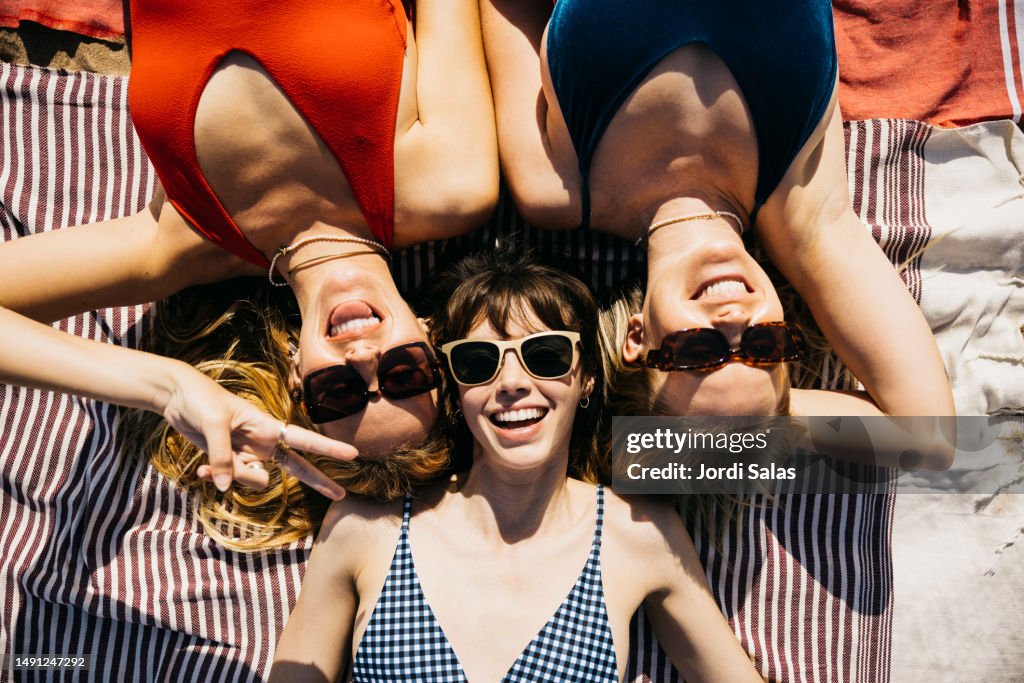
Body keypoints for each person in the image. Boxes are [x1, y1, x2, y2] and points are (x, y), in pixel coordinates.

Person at [0, 0, 499, 541]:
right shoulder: (450, 189)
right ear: (432, 339)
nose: (362, 357)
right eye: (404, 375)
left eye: (338, 392)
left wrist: (168, 387)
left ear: (295, 374)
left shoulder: (188, 243)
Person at [270, 246, 762, 683]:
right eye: (479, 362)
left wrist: (731, 402)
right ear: (454, 385)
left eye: (545, 356)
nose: (511, 382)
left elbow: (835, 446)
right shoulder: (367, 525)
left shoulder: (638, 528)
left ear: (587, 376)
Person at [480, 0, 954, 421]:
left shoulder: (557, 190)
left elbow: (509, 9)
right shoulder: (803, 212)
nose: (733, 320)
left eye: (699, 353)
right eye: (764, 347)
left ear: (638, 339)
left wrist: (681, 433)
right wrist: (753, 421)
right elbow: (925, 430)